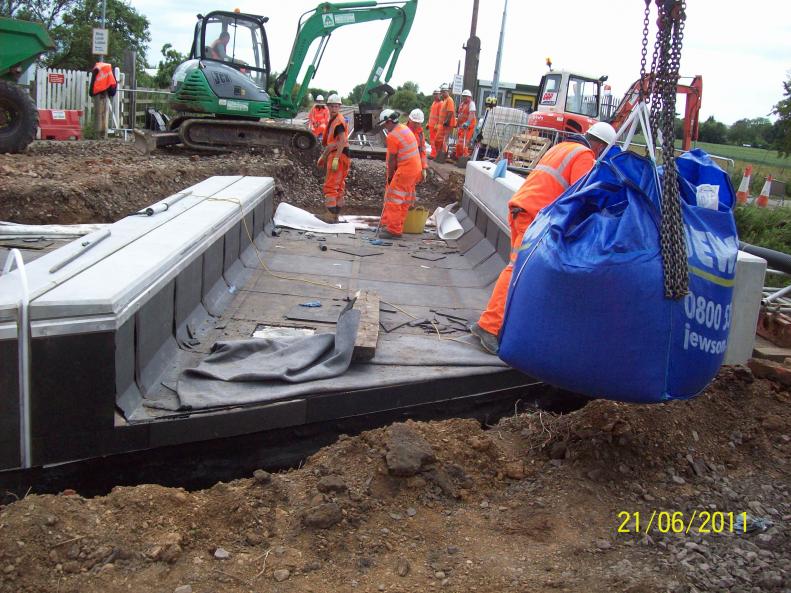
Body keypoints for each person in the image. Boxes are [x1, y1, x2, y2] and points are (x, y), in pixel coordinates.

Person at [469, 121, 617, 354]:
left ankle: (501, 323)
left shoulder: (562, 147)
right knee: (516, 269)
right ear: (600, 146)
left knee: (518, 269)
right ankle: (488, 326)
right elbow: (583, 195)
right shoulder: (585, 155)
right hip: (533, 216)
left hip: (522, 209)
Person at [378, 109, 423, 239]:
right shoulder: (404, 128)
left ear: (389, 121)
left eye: (385, 124)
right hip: (415, 169)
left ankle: (393, 230)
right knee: (403, 199)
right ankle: (396, 225)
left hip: (405, 171)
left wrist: (391, 176)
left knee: (393, 198)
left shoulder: (393, 136)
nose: (384, 127)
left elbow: (392, 160)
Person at [316, 94, 350, 223]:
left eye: (336, 106)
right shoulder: (336, 120)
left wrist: (335, 158)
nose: (334, 108)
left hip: (339, 155)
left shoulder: (338, 122)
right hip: (343, 156)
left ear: (339, 107)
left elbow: (342, 140)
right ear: (328, 107)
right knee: (339, 186)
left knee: (330, 186)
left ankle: (330, 216)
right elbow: (333, 143)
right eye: (332, 106)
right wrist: (323, 157)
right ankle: (335, 216)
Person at [432, 84, 456, 162]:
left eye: (443, 92)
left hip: (447, 124)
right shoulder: (445, 100)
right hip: (443, 124)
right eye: (441, 92)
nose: (442, 94)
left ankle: (442, 156)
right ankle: (440, 155)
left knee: (442, 140)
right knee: (439, 140)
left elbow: (450, 112)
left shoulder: (449, 100)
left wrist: (447, 121)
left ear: (447, 91)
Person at [406, 108, 428, 182]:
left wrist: (424, 167)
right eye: (415, 122)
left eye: (418, 123)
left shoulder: (420, 134)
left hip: (414, 166)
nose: (417, 125)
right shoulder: (403, 130)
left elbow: (422, 151)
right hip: (402, 166)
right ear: (409, 119)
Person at [455, 89, 477, 159]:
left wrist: (467, 122)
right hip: (462, 127)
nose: (464, 98)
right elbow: (460, 115)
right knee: (459, 144)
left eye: (466, 96)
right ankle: (458, 157)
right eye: (464, 96)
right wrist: (457, 124)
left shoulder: (471, 104)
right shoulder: (462, 104)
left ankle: (464, 156)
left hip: (468, 127)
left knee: (463, 144)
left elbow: (471, 114)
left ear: (469, 97)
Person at [427, 89, 441, 154]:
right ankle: (434, 153)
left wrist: (437, 125)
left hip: (436, 126)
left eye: (436, 94)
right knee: (432, 140)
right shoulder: (434, 103)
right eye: (434, 94)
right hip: (431, 125)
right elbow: (431, 114)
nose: (435, 96)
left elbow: (441, 116)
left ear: (439, 95)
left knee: (435, 140)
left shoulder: (441, 103)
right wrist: (428, 123)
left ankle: (435, 153)